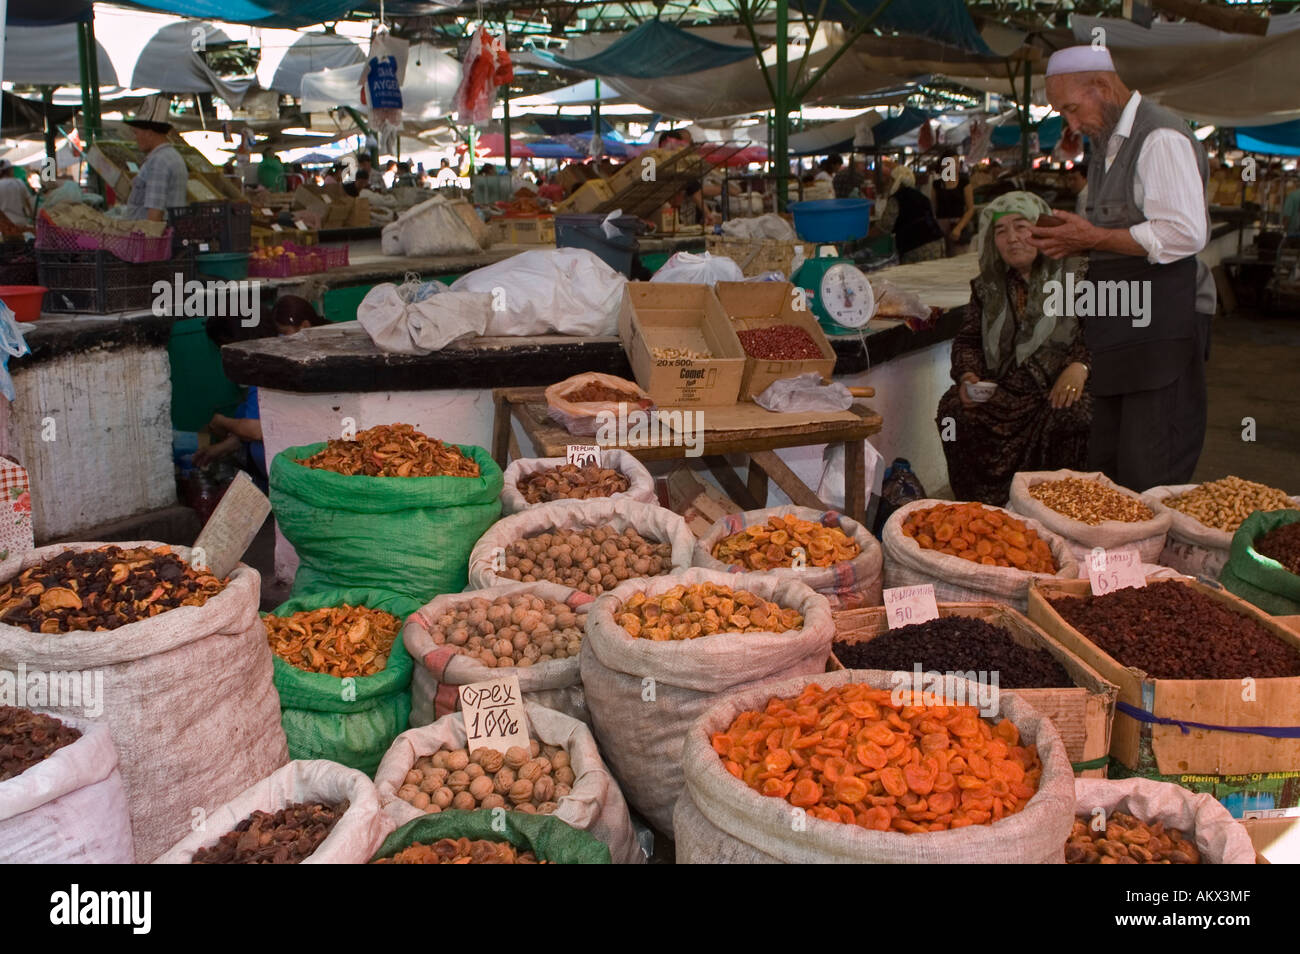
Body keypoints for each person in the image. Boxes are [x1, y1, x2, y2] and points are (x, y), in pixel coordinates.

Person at [1029, 44, 1211, 491]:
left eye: (1072, 109)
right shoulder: (1107, 145)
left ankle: (1154, 559)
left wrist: (1091, 238)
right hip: (1121, 323)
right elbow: (1119, 227)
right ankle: (1119, 558)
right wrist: (1073, 238)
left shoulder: (1159, 137)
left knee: (1152, 466)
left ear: (1102, 87)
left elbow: (1184, 233)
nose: (1072, 125)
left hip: (1161, 326)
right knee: (1111, 466)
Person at [936, 192, 1092, 505]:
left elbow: (1098, 331)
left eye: (1021, 227)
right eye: (1001, 231)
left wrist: (1080, 366)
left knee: (1073, 414)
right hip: (1003, 390)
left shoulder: (1079, 276)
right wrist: (968, 376)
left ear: (1043, 229)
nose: (1012, 239)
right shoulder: (988, 286)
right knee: (953, 411)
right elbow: (968, 339)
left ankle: (1054, 508)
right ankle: (977, 506)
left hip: (1052, 389)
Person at [197, 297, 326, 489]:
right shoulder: (274, 364)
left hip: (296, 473)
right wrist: (220, 448)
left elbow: (257, 430)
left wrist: (221, 422)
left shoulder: (269, 370)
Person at [119, 95, 189, 222]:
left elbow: (155, 214)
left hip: (154, 238)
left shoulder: (158, 162)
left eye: (136, 133)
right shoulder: (173, 156)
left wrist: (150, 241)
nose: (135, 138)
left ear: (149, 134)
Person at [878, 165, 946, 263]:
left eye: (890, 180)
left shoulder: (897, 198)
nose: (888, 183)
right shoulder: (922, 197)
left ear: (896, 181)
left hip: (918, 248)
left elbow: (884, 226)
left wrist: (865, 238)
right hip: (937, 244)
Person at [932, 148, 975, 256]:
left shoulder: (964, 183)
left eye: (956, 162)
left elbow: (970, 209)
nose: (955, 166)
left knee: (959, 257)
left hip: (959, 224)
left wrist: (959, 228)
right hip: (941, 226)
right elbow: (934, 208)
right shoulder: (936, 185)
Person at [0, 161, 34, 228]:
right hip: (21, 223)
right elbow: (28, 202)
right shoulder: (19, 182)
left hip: (4, 226)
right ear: (10, 170)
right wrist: (32, 216)